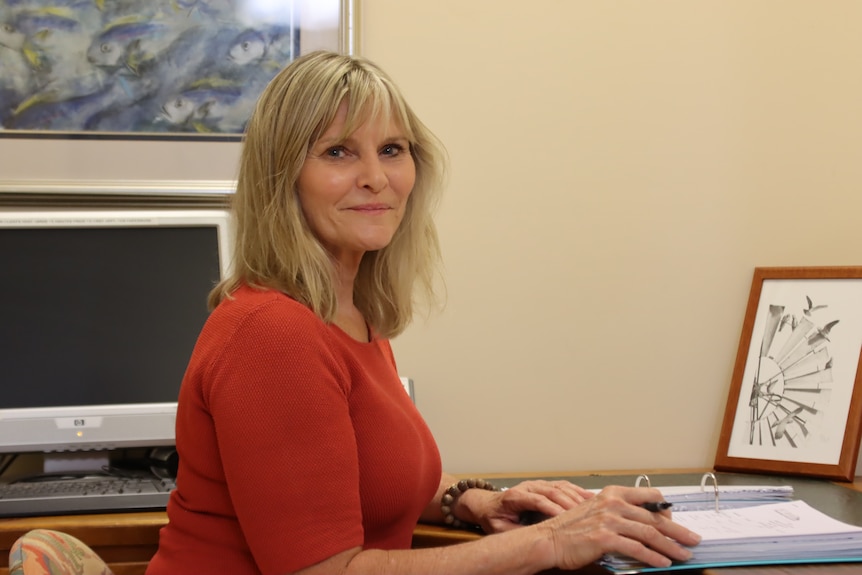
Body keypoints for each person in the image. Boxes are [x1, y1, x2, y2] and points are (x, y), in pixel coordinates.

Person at [145, 50, 701, 575]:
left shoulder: (348, 313)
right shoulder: (272, 332)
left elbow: (365, 480)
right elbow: (323, 570)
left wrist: (477, 499)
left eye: (392, 149)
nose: (376, 177)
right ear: (283, 177)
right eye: (339, 152)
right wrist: (549, 541)